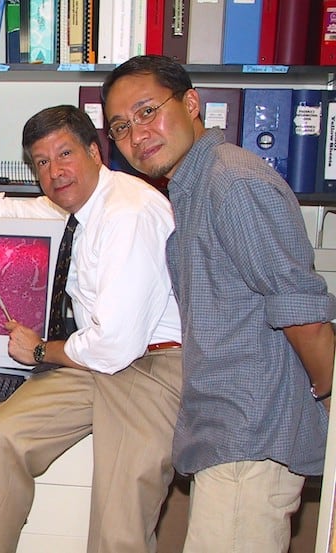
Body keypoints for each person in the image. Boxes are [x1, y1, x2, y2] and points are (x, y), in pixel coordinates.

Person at [0, 105, 183, 553]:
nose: (56, 171)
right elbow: (19, 212)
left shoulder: (128, 212)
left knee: (119, 519)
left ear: (95, 151)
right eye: (42, 162)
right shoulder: (77, 205)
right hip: (93, 359)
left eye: (65, 154)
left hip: (150, 364)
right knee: (2, 437)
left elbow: (115, 345)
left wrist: (38, 352)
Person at [101, 54, 336, 553]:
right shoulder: (192, 189)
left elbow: (304, 316)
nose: (136, 134)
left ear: (191, 103)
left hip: (250, 439)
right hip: (228, 435)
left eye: (147, 112)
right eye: (120, 126)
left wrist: (324, 397)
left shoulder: (232, 184)